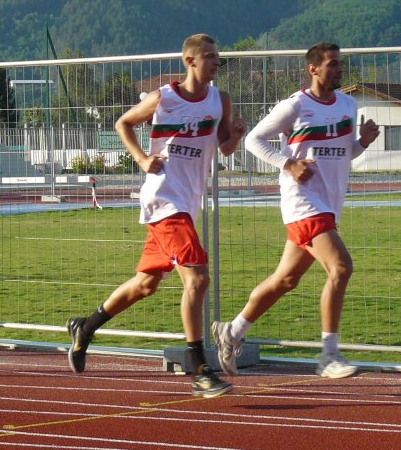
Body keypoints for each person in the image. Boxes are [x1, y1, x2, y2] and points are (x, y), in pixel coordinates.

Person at [66, 33, 245, 398]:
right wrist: (143, 159)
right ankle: (199, 369)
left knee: (146, 284)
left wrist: (237, 136)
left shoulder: (219, 100)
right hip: (164, 199)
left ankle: (86, 326)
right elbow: (122, 124)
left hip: (187, 204)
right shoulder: (163, 98)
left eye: (217, 58)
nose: (215, 63)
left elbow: (224, 149)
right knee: (197, 280)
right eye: (209, 57)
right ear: (190, 61)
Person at [212, 42, 379, 379]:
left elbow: (344, 155)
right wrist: (288, 163)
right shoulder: (295, 105)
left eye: (340, 65)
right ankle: (329, 355)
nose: (338, 70)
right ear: (312, 69)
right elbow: (254, 140)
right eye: (331, 64)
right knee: (341, 268)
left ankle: (231, 332)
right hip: (303, 202)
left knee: (286, 279)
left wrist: (363, 142)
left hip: (329, 204)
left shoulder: (348, 104)